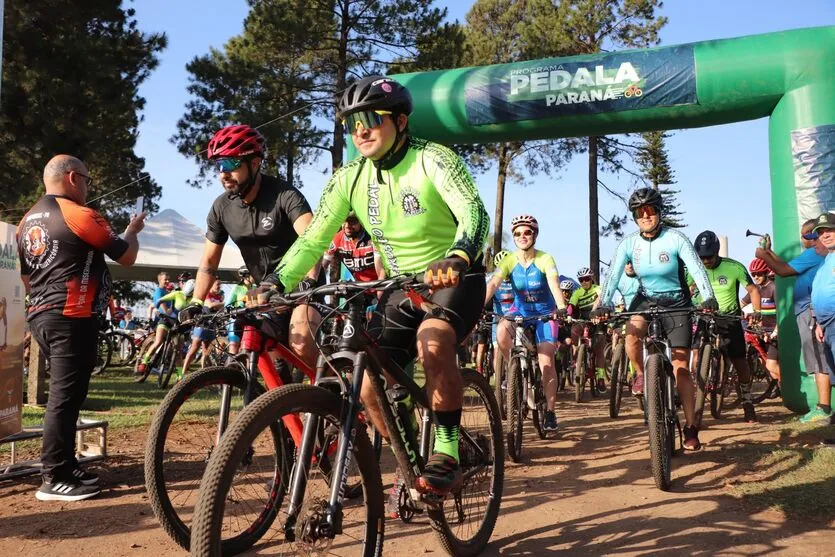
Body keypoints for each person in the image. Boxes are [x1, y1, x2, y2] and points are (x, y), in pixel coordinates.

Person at [267, 75, 490, 499]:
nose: (360, 130)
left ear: (401, 122)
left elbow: (474, 212)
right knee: (367, 382)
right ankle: (408, 458)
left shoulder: (434, 158)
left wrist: (458, 255)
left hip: (453, 277)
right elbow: (314, 238)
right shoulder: (349, 176)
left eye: (371, 118)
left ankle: (447, 450)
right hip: (401, 285)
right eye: (352, 124)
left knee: (433, 340)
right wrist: (276, 280)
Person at [17, 154, 144, 501]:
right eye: (87, 180)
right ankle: (54, 476)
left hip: (44, 314)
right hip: (71, 316)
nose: (88, 187)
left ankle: (65, 465)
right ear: (73, 178)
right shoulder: (79, 214)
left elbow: (27, 276)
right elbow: (126, 256)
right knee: (63, 397)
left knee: (67, 395)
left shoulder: (27, 221)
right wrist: (132, 231)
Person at [179, 124, 321, 371]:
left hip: (302, 288)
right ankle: (282, 406)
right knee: (263, 355)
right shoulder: (221, 208)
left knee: (302, 348)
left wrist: (309, 281)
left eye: (231, 164)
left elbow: (313, 240)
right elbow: (209, 263)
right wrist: (196, 301)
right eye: (219, 165)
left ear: (255, 163)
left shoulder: (285, 195)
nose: (223, 173)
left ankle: (333, 397)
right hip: (265, 292)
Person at [595, 187, 716, 451]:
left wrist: (708, 298)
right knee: (632, 333)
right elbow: (613, 275)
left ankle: (690, 426)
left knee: (681, 366)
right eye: (640, 212)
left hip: (677, 301)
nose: (646, 216)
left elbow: (696, 269)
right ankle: (641, 375)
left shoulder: (676, 239)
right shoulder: (629, 244)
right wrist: (603, 304)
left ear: (659, 212)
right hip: (646, 298)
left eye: (651, 210)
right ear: (635, 217)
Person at [486, 215, 569, 432]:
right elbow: (494, 283)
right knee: (502, 330)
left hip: (544, 313)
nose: (522, 237)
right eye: (517, 234)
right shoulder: (509, 260)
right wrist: (478, 305)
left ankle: (550, 412)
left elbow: (553, 283)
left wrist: (560, 308)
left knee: (546, 362)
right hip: (520, 310)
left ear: (535, 235)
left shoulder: (545, 259)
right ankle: (513, 371)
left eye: (527, 232)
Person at [756, 219, 831, 423]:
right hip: (808, 310)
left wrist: (763, 256)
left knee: (817, 358)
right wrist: (769, 253)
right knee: (818, 358)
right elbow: (785, 266)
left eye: (808, 234)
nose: (805, 238)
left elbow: (782, 271)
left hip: (809, 310)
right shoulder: (814, 254)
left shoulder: (815, 253)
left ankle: (823, 408)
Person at [691, 230, 760, 422]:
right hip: (704, 317)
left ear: (717, 252)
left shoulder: (734, 267)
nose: (705, 261)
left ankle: (747, 400)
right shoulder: (695, 268)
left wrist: (757, 311)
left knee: (739, 361)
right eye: (702, 258)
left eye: (709, 257)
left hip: (729, 318)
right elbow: (687, 290)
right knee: (696, 353)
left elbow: (753, 289)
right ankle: (698, 387)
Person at [136, 272, 192, 379]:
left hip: (176, 323)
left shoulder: (172, 292)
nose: (167, 281)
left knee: (178, 352)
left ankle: (180, 376)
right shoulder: (163, 291)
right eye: (165, 279)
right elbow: (159, 303)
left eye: (168, 279)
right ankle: (144, 362)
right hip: (164, 320)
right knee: (158, 341)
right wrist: (159, 312)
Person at [810, 213, 835, 422]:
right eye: (820, 232)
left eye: (829, 230)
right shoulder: (828, 260)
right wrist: (819, 322)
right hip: (827, 325)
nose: (824, 235)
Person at [742, 258, 780, 385]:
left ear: (765, 272)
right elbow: (741, 303)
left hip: (773, 332)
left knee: (771, 364)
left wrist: (776, 331)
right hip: (762, 331)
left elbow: (781, 311)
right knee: (763, 360)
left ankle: (790, 387)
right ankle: (778, 386)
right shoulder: (755, 289)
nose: (756, 276)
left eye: (759, 273)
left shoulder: (773, 288)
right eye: (753, 274)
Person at [475, 250, 513, 376]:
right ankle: (499, 382)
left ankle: (519, 374)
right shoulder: (492, 280)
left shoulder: (518, 277)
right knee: (497, 350)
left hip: (517, 318)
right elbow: (484, 296)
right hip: (498, 319)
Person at [569, 266, 606, 391]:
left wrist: (596, 312)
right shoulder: (577, 292)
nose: (584, 282)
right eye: (581, 280)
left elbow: (601, 298)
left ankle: (601, 379)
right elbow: (571, 305)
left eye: (586, 279)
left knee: (599, 349)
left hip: (597, 318)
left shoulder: (597, 288)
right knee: (574, 330)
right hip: (583, 318)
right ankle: (577, 358)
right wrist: (568, 314)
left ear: (591, 279)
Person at [324, 212, 385, 282]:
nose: (347, 226)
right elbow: (324, 265)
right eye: (344, 221)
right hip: (357, 285)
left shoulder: (373, 238)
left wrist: (380, 291)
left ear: (361, 222)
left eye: (352, 222)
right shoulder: (337, 238)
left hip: (379, 282)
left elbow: (381, 271)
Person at [182, 279, 225, 376]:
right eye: (217, 284)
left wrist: (220, 305)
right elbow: (210, 305)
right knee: (194, 348)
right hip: (202, 324)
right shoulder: (207, 294)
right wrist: (222, 304)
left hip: (212, 325)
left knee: (206, 351)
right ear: (211, 285)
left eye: (220, 285)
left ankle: (203, 372)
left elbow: (221, 310)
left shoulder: (218, 296)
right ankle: (183, 372)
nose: (219, 286)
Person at [225, 266, 253, 355]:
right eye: (253, 275)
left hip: (250, 321)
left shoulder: (256, 288)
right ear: (246, 276)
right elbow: (227, 305)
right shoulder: (237, 288)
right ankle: (229, 368)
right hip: (236, 320)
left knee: (248, 349)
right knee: (233, 347)